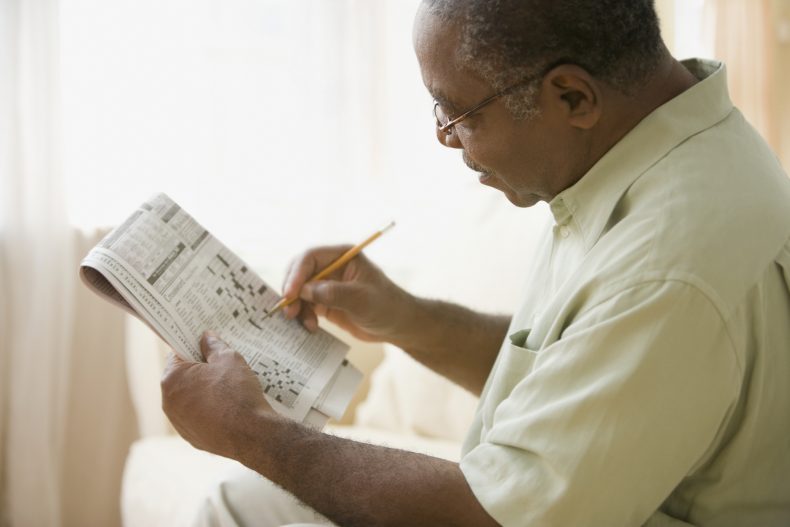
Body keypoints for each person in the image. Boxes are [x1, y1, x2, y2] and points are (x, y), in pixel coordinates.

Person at [161, 0, 790, 525]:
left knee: (242, 511)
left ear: (571, 96)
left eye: (458, 112)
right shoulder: (658, 159)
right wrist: (409, 321)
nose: (445, 138)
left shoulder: (668, 261)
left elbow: (490, 518)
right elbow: (576, 377)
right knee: (245, 507)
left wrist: (248, 432)